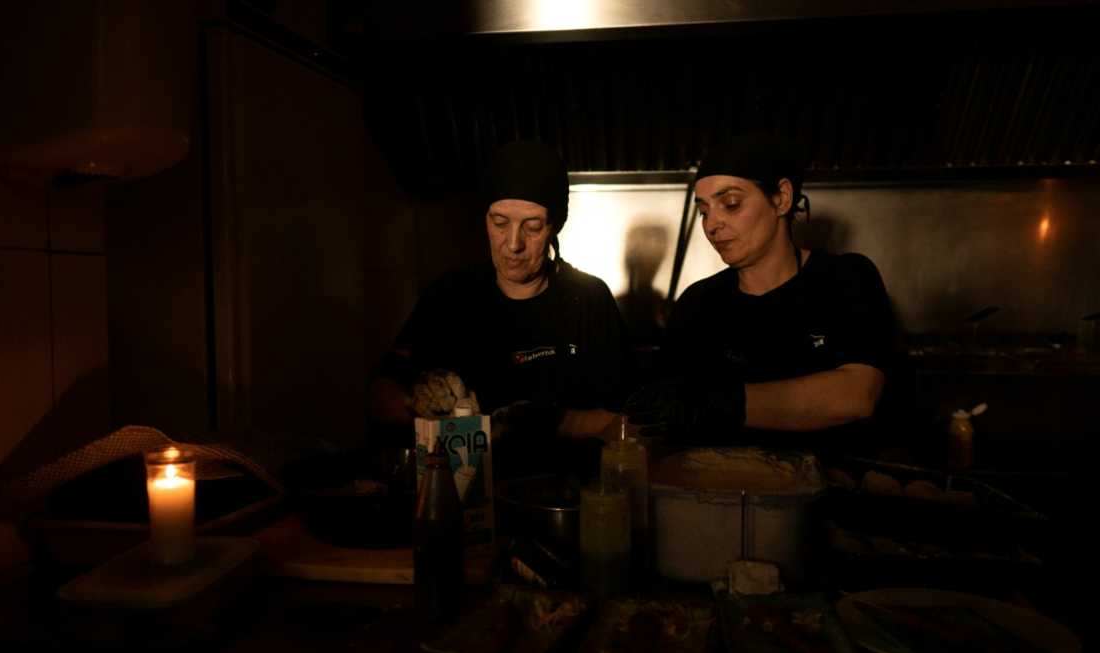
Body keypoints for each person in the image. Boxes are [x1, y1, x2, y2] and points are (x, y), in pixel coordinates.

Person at [368, 140, 628, 475]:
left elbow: (623, 420)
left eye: (532, 226)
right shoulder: (448, 296)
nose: (514, 244)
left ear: (555, 226)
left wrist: (547, 421)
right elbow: (380, 395)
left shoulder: (589, 299)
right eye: (500, 222)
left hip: (563, 495)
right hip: (463, 493)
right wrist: (423, 408)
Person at [627, 132, 893, 454]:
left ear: (781, 198)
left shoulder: (845, 278)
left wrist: (720, 404)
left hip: (827, 490)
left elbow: (856, 395)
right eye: (704, 211)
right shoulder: (698, 303)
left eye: (731, 204)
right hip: (724, 492)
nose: (712, 224)